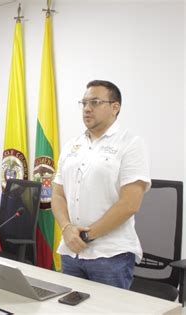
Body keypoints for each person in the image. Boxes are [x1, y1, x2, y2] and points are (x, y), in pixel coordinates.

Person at [51, 80, 151, 289]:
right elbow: (58, 195)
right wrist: (67, 229)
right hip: (71, 251)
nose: (87, 108)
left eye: (95, 102)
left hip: (110, 255)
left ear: (115, 107)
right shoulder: (72, 145)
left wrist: (86, 235)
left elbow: (130, 204)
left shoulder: (130, 144)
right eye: (84, 103)